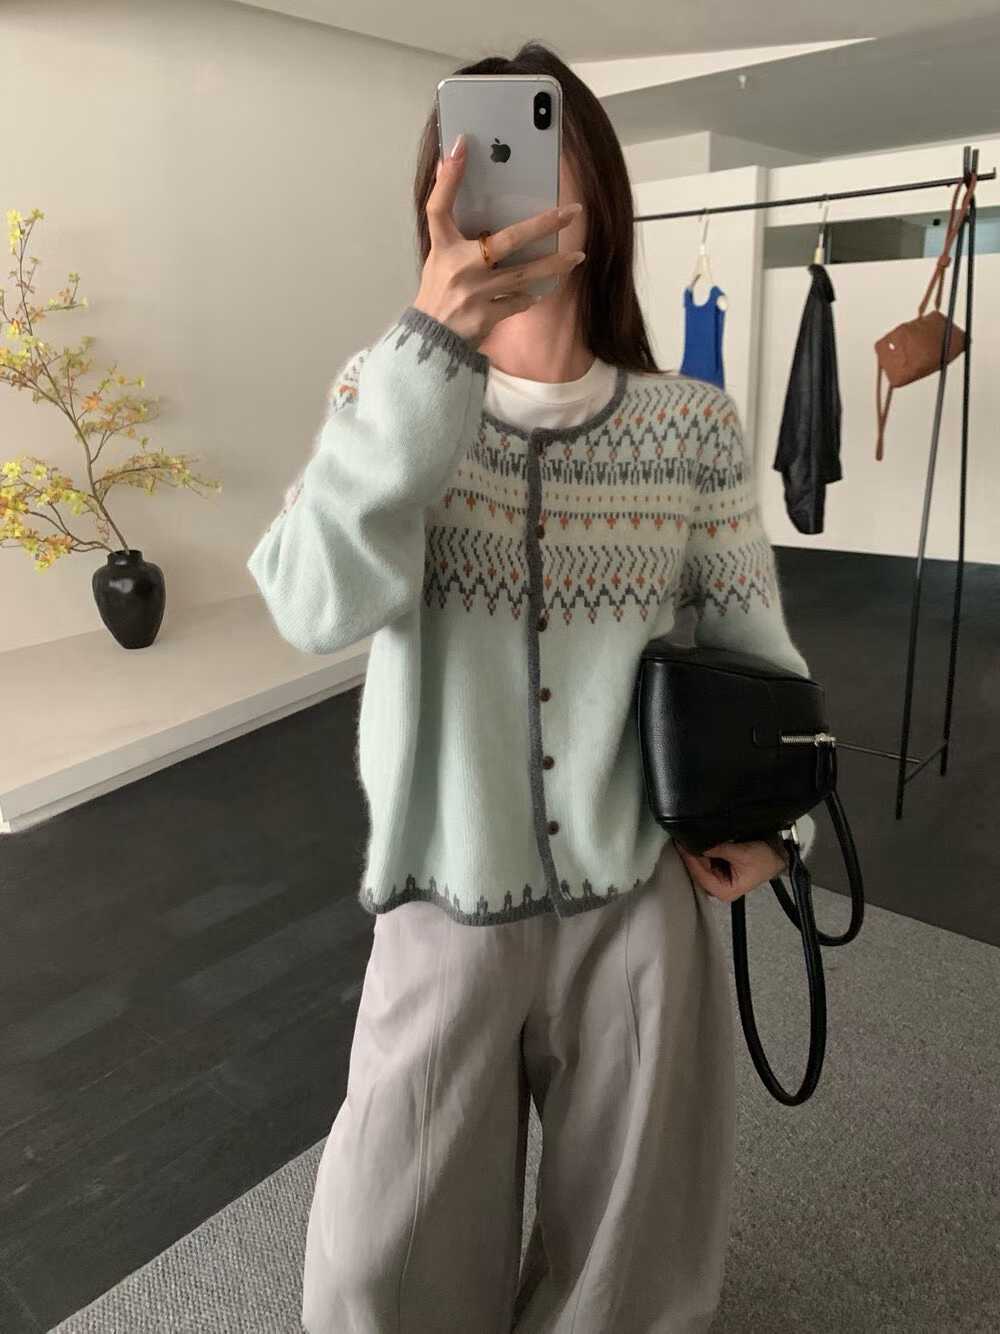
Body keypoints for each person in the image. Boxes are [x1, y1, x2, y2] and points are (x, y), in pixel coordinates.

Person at [247, 40, 817, 1334]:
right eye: (483, 160)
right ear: (440, 203)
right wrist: (426, 349)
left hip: (640, 905)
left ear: (601, 192)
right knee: (378, 1265)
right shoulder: (387, 395)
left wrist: (772, 823)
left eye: (544, 148)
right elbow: (309, 603)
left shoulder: (692, 429)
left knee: (629, 1263)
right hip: (441, 905)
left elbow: (757, 652)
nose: (517, 186)